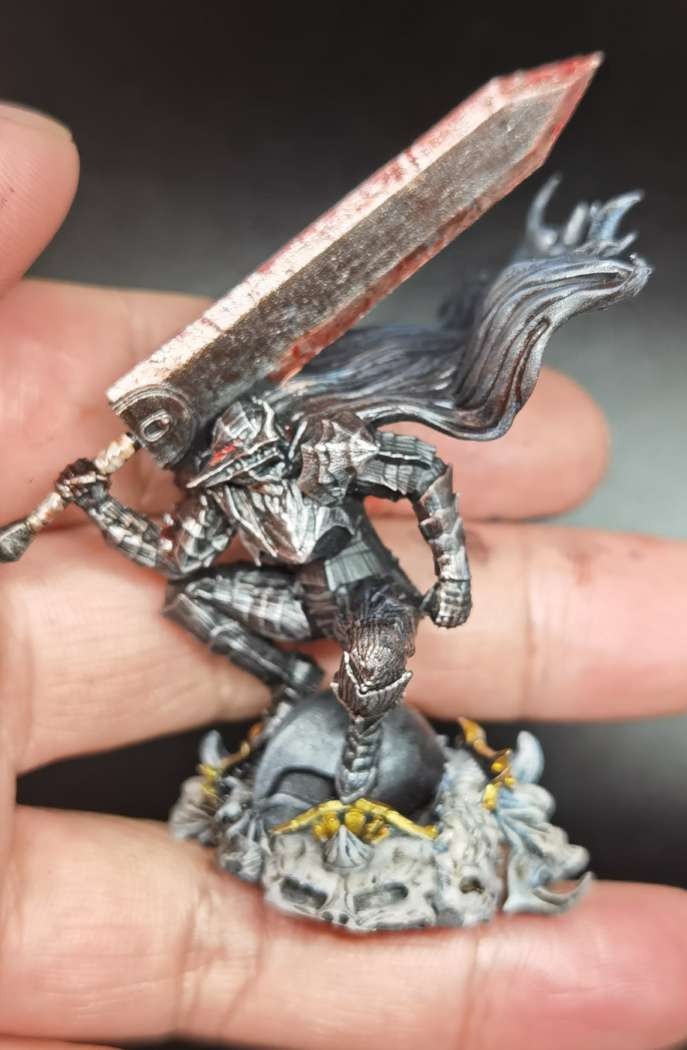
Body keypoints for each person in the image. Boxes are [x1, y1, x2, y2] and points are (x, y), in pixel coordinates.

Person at [0, 101, 685, 1050]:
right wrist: (99, 502)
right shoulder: (216, 494)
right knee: (196, 600)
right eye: (218, 449)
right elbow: (169, 558)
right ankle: (292, 691)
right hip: (295, 604)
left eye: (239, 439)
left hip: (368, 596)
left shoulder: (317, 448)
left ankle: (359, 756)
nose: (230, 452)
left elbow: (423, 472)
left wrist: (452, 576)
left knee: (367, 674)